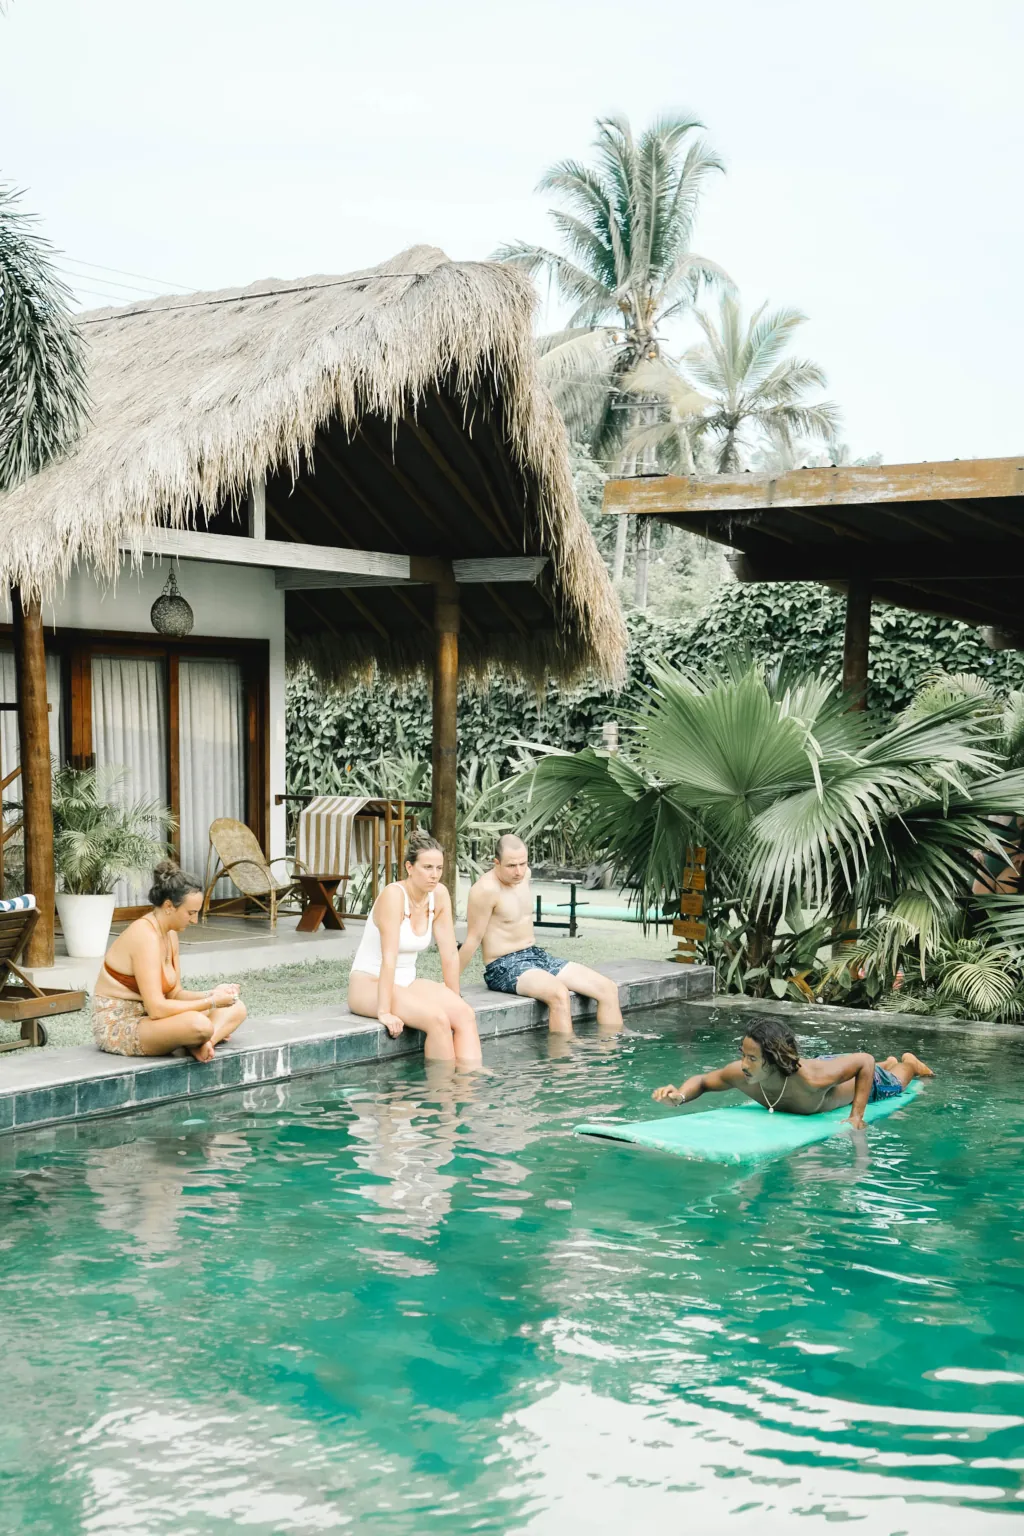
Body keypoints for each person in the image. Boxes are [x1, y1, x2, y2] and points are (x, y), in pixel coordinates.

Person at [459, 834, 622, 1034]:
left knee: (608, 989)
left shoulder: (525, 875)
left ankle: (610, 1055)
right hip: (503, 966)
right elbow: (472, 939)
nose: (518, 871)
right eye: (511, 866)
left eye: (522, 863)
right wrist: (450, 985)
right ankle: (565, 1062)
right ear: (496, 862)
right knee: (559, 994)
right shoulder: (484, 890)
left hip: (536, 955)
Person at [652, 1016, 933, 1130]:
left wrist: (856, 1117)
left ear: (774, 1061)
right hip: (830, 1065)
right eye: (743, 1055)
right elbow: (702, 1081)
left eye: (752, 1058)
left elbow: (864, 1061)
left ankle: (908, 1062)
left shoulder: (812, 1079)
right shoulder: (742, 1074)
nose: (744, 1064)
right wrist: (680, 1095)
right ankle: (891, 1062)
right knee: (869, 1066)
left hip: (857, 1079)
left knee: (895, 1082)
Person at [348, 830, 482, 1065]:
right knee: (437, 1020)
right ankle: (442, 1091)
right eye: (427, 867)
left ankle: (466, 1089)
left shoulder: (439, 895)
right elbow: (389, 958)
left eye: (439, 868)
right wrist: (384, 1011)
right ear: (410, 867)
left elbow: (449, 953)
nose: (435, 875)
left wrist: (453, 995)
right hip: (369, 984)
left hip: (407, 982)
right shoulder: (393, 895)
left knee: (465, 1014)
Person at [92, 861, 247, 1061]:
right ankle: (199, 1039)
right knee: (198, 1025)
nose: (195, 921)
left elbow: (175, 993)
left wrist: (215, 993)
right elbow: (157, 1009)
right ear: (168, 906)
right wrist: (212, 1002)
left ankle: (204, 1043)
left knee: (236, 1007)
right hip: (123, 1024)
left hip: (155, 1019)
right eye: (190, 913)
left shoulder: (170, 934)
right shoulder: (145, 936)